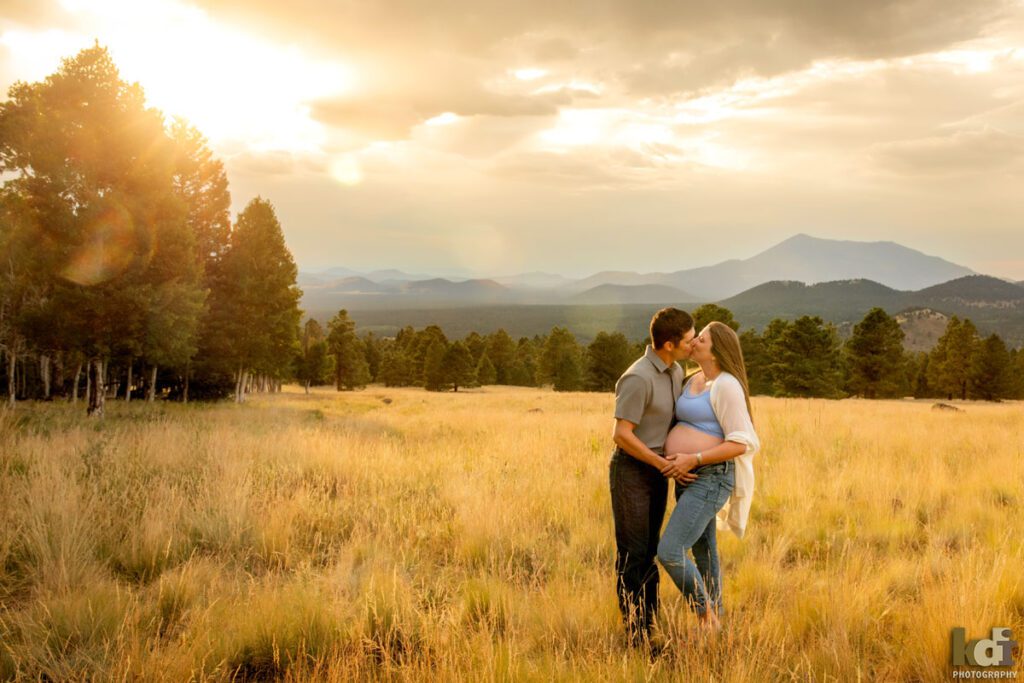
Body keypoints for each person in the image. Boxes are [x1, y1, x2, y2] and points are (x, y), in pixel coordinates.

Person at [658, 321, 760, 634]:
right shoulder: (692, 379)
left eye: (701, 339)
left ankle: (707, 618)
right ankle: (717, 618)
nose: (693, 342)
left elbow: (741, 442)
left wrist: (694, 458)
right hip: (687, 477)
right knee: (704, 551)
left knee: (670, 551)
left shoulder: (727, 385)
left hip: (711, 476)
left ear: (716, 350)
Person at [610, 307, 696, 647]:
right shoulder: (637, 377)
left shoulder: (675, 371)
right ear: (670, 344)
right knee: (634, 555)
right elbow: (621, 434)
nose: (695, 343)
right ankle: (636, 636)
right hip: (632, 471)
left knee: (651, 551)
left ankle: (649, 627)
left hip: (658, 471)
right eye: (690, 340)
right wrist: (660, 464)